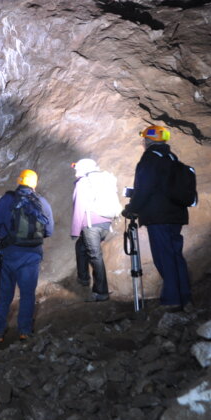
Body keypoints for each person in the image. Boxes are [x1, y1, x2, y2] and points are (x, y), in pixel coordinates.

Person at [122, 125, 191, 310]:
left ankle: (171, 299)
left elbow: (144, 188)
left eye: (144, 139)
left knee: (164, 257)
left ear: (147, 140)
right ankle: (184, 296)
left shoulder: (149, 159)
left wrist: (132, 208)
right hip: (176, 215)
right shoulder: (171, 157)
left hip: (158, 217)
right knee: (176, 255)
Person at [0, 169, 54, 342]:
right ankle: (25, 331)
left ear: (19, 181)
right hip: (32, 256)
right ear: (34, 184)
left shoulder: (7, 199)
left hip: (9, 254)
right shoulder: (42, 202)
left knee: (4, 293)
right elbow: (49, 230)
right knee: (28, 294)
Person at [71, 158, 112, 302]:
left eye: (77, 169)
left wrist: (75, 230)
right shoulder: (104, 179)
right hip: (105, 224)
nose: (76, 172)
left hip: (91, 225)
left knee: (95, 257)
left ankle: (101, 292)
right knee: (81, 246)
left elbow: (79, 208)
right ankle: (83, 279)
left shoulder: (83, 182)